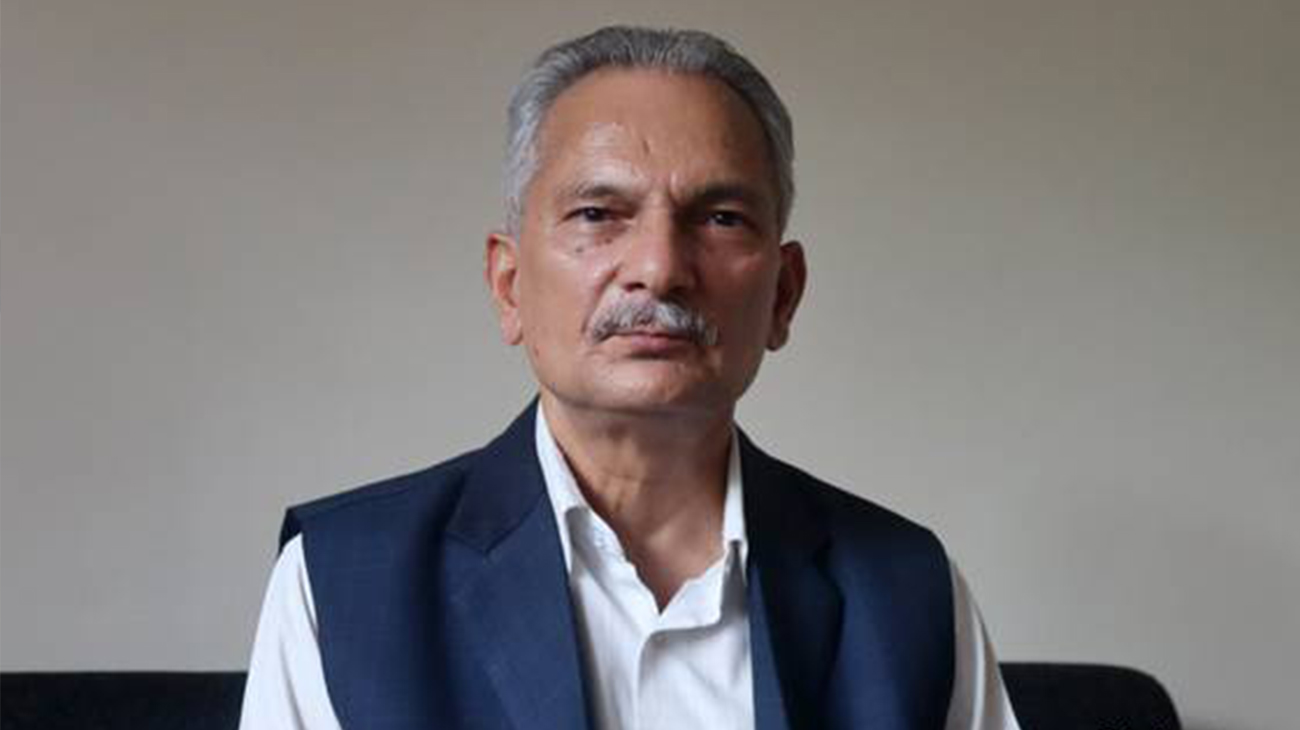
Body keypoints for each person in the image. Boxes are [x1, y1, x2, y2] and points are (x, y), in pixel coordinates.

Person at [239, 25, 1021, 730]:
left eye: (720, 218)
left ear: (783, 295)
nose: (659, 267)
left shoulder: (907, 590)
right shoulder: (342, 583)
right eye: (598, 214)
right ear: (509, 286)